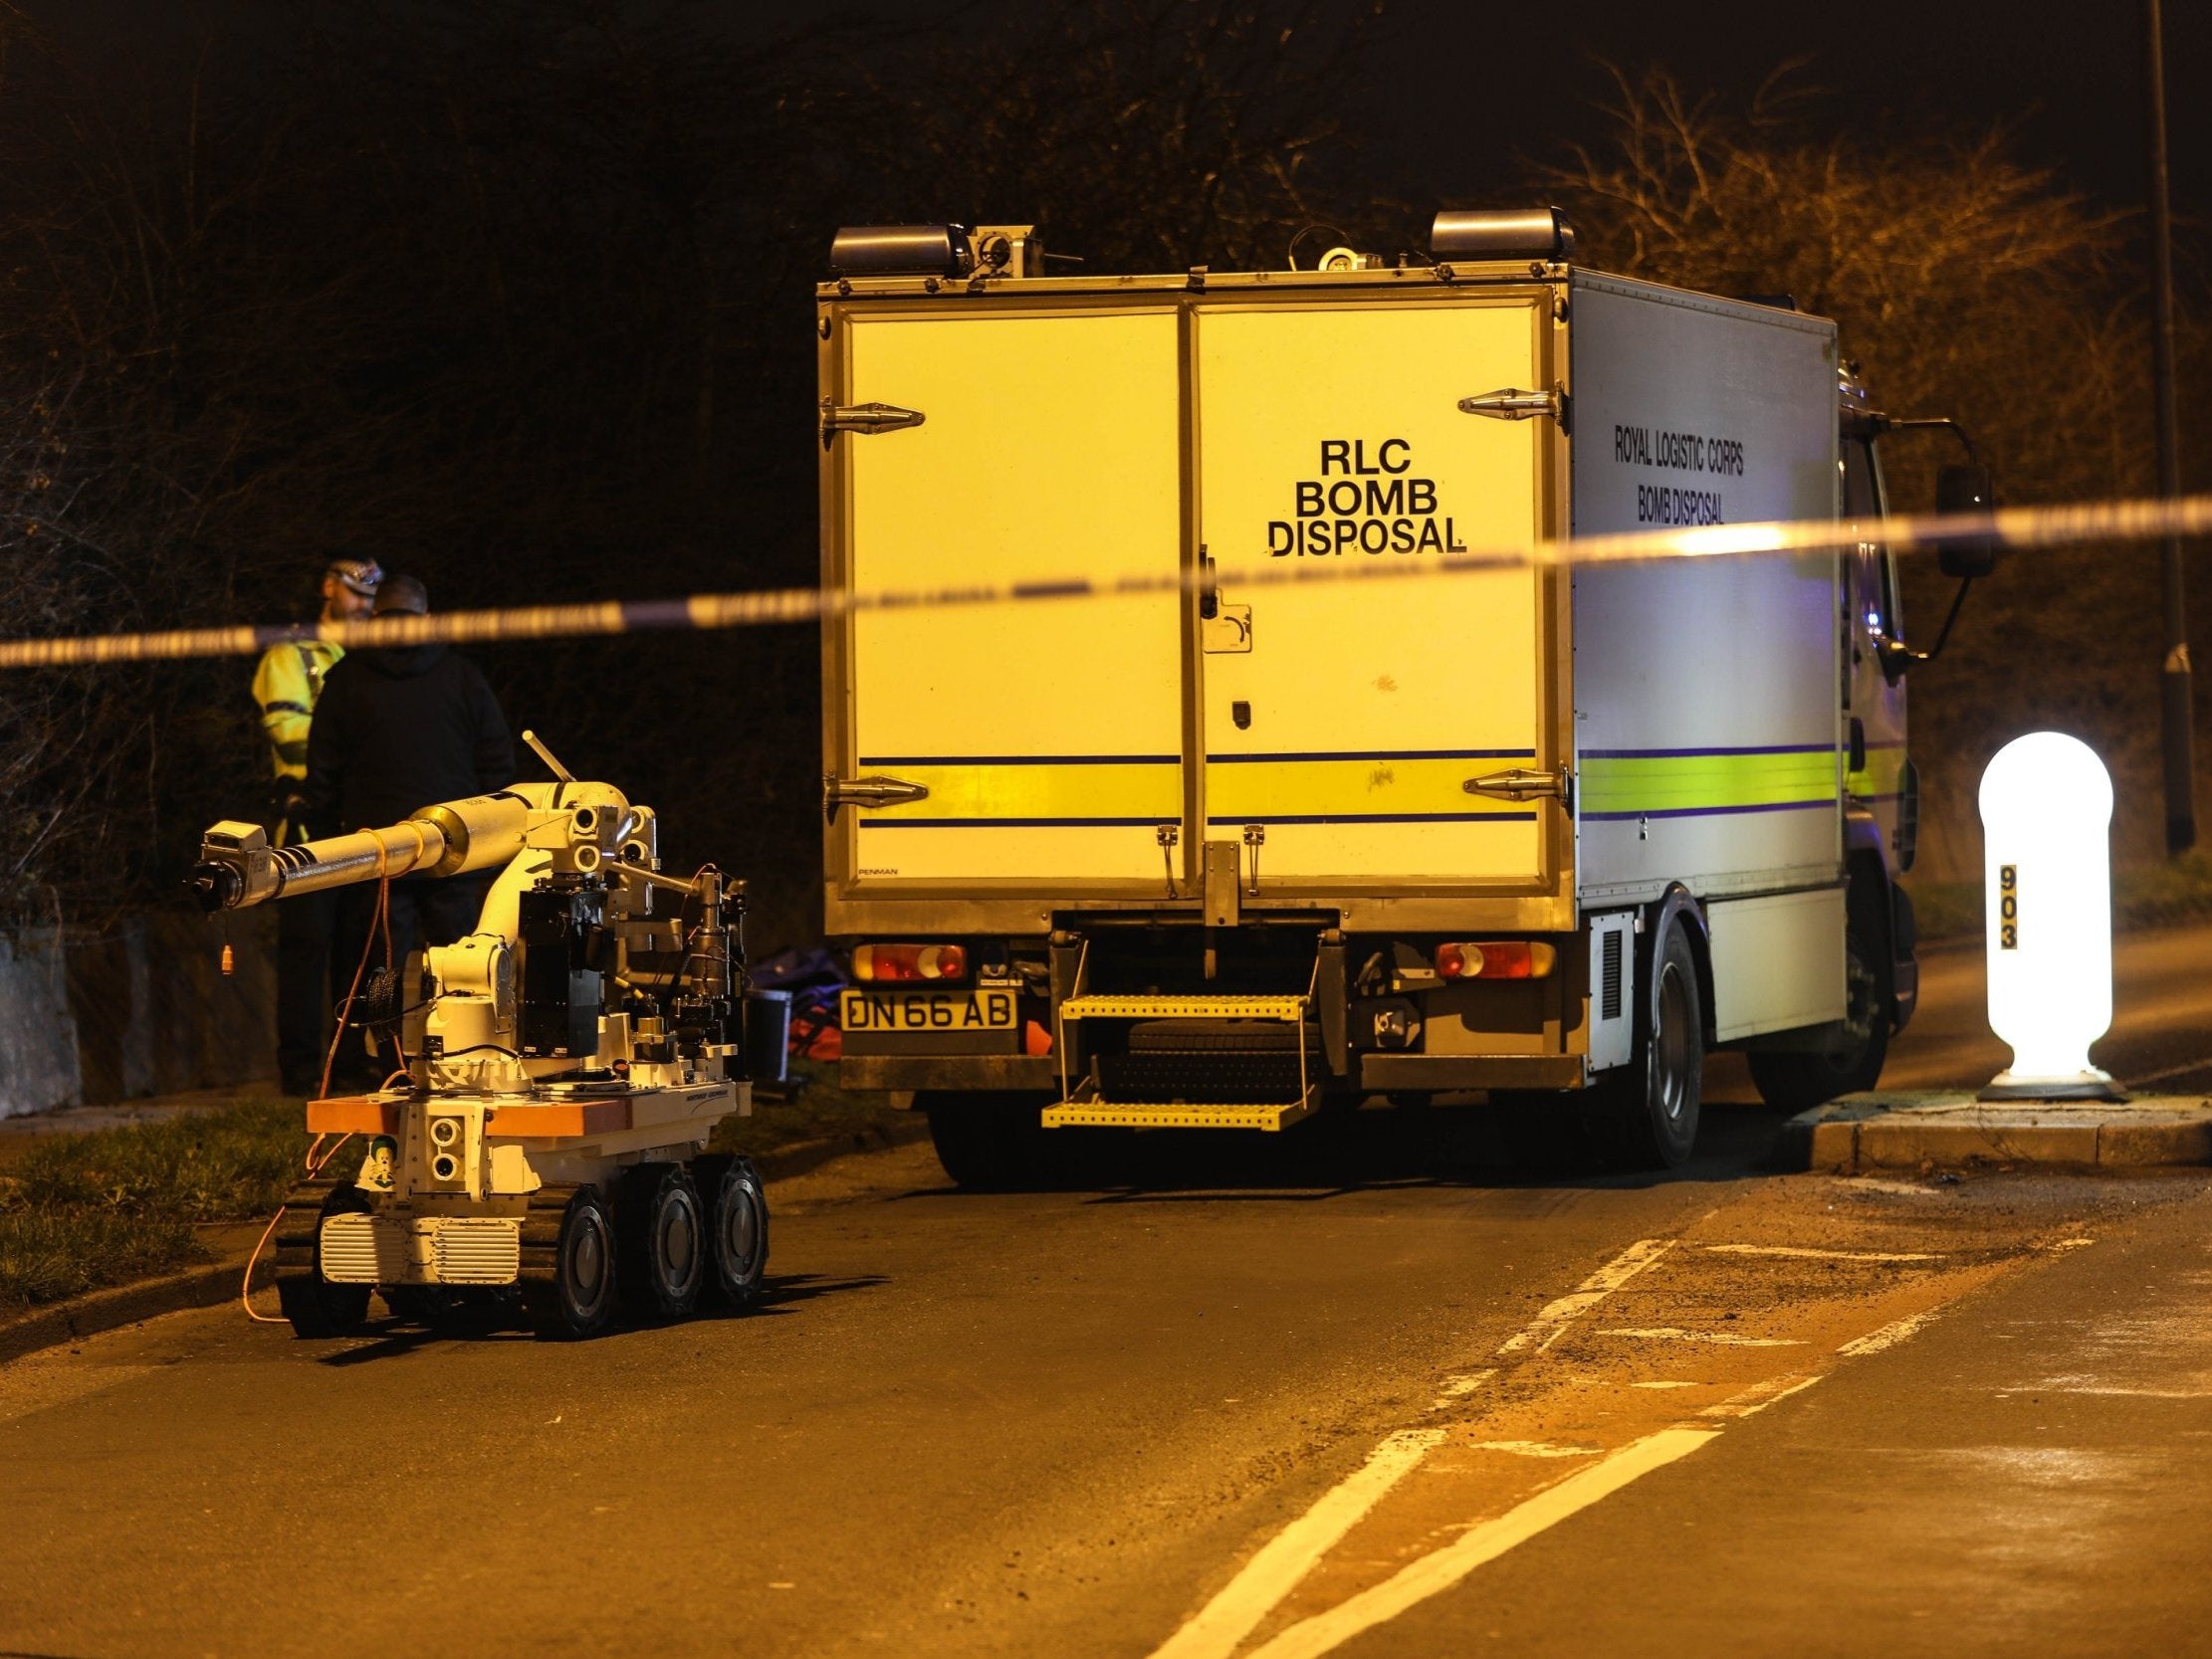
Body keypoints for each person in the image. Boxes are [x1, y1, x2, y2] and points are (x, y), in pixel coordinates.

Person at [304, 572, 516, 1085]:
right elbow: (497, 764)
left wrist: (328, 837)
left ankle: (375, 1067)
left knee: (374, 968)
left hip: (376, 850)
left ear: (376, 619)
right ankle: (471, 1060)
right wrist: (494, 834)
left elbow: (323, 772)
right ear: (425, 618)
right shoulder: (463, 678)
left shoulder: (347, 680)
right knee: (467, 963)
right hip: (456, 848)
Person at [253, 556, 380, 1095]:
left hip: (363, 827)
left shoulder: (373, 659)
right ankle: (302, 1070)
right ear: (329, 589)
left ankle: (350, 1063)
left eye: (372, 597)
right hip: (306, 830)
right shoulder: (292, 654)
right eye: (355, 594)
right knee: (306, 953)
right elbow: (289, 735)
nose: (365, 606)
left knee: (360, 953)